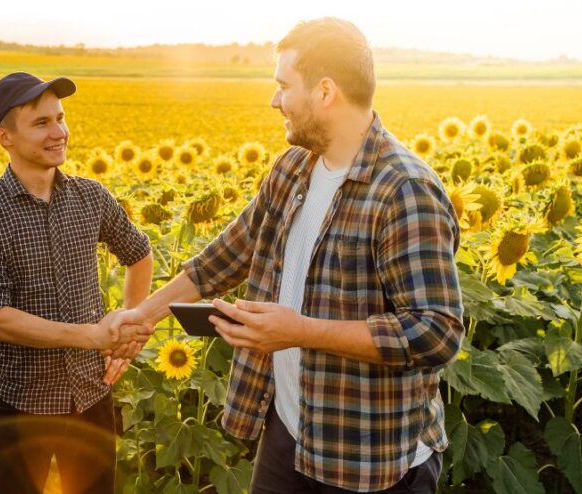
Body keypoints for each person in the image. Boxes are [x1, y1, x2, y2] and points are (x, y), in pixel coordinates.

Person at [108, 18, 463, 493]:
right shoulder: (295, 167)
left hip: (369, 455)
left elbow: (435, 333)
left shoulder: (403, 190)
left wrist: (299, 332)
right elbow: (229, 254)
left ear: (325, 91)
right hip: (291, 432)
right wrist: (142, 316)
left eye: (282, 86)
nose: (274, 101)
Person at [0, 72, 154, 494]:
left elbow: (140, 255)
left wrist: (125, 331)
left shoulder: (91, 197)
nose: (59, 132)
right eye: (41, 123)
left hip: (91, 396)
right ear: (4, 136)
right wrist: (92, 336)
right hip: (20, 404)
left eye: (60, 118)